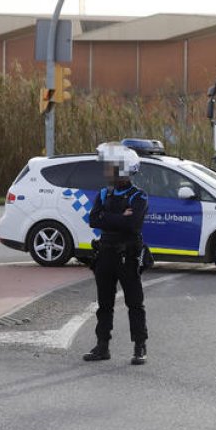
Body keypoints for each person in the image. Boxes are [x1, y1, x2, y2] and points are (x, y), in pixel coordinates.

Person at [84, 144, 150, 365]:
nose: (108, 172)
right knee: (104, 304)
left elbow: (133, 225)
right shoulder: (103, 194)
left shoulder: (138, 196)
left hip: (128, 256)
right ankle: (102, 346)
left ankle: (140, 346)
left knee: (134, 303)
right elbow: (93, 220)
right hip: (105, 254)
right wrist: (119, 216)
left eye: (112, 168)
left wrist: (109, 217)